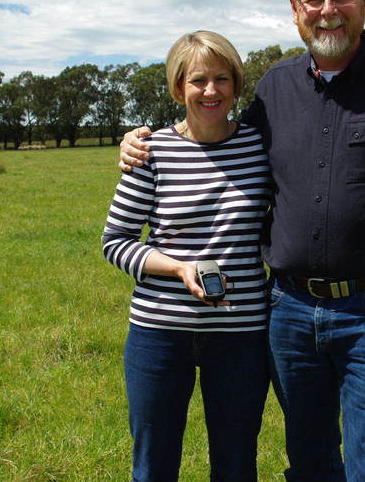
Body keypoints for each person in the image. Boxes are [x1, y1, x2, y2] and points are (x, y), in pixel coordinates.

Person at [119, 0, 365, 482]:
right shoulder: (275, 88)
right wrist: (140, 142)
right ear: (295, 7)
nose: (327, 8)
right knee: (308, 461)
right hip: (287, 311)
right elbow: (216, 140)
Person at [102, 30, 272, 481]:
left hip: (241, 335)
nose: (210, 91)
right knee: (154, 465)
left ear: (236, 85)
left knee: (236, 464)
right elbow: (115, 240)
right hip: (160, 334)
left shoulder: (260, 147)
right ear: (179, 88)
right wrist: (178, 267)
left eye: (222, 79)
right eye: (198, 80)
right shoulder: (151, 151)